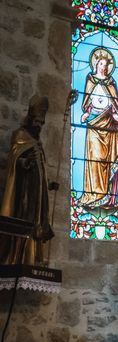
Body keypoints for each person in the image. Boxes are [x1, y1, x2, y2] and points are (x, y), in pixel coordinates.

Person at [0, 95, 55, 266]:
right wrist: (25, 162)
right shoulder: (20, 134)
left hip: (37, 194)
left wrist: (49, 184)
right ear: (31, 118)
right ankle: (18, 256)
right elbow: (13, 160)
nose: (39, 125)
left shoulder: (38, 142)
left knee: (36, 223)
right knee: (24, 220)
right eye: (37, 121)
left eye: (42, 122)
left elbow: (41, 169)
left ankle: (32, 257)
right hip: (23, 191)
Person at [78, 47, 118, 208]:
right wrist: (86, 113)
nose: (104, 68)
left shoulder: (111, 83)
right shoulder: (90, 80)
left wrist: (117, 116)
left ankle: (106, 196)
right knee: (95, 159)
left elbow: (115, 104)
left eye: (106, 65)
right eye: (101, 64)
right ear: (96, 64)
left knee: (107, 160)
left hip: (109, 123)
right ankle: (93, 194)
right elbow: (86, 103)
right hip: (93, 123)